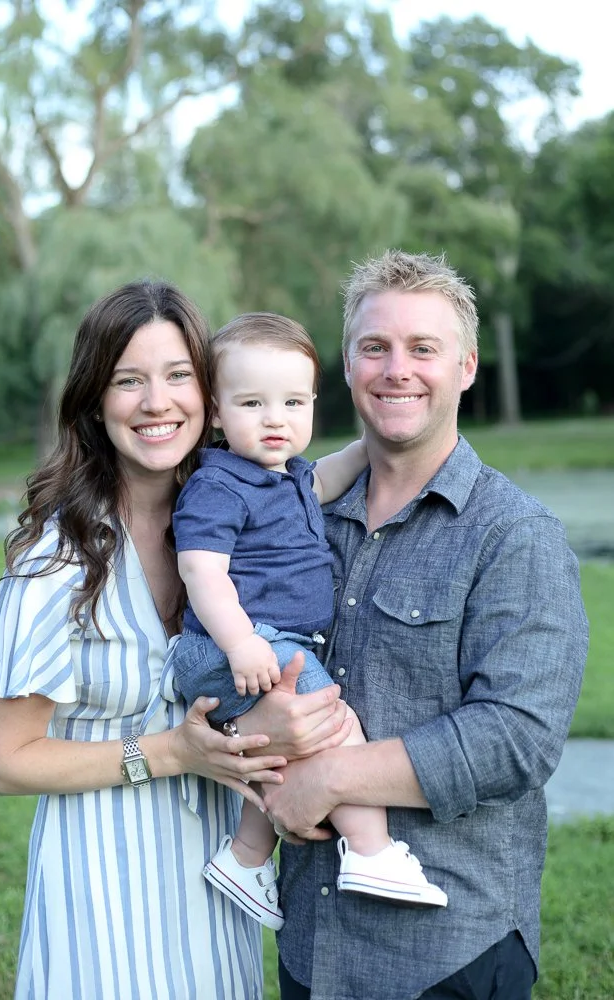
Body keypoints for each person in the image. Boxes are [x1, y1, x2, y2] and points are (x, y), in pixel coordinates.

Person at [0, 280, 348, 1000]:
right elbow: (4, 763)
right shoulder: (60, 562)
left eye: (177, 377)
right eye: (126, 381)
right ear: (93, 401)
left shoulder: (234, 524)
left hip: (218, 878)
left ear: (212, 394)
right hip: (104, 890)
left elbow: (323, 478)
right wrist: (170, 753)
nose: (157, 402)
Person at [259, 250, 589, 1000]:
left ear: (466, 367)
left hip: (448, 952)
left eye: (422, 349)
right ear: (346, 365)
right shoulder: (300, 525)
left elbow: (515, 738)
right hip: (311, 943)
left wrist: (330, 776)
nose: (395, 369)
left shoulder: (514, 536)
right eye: (374, 347)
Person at [166, 312, 447, 933]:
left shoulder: (287, 476)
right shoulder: (219, 485)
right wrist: (240, 643)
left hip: (270, 643)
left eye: (293, 402)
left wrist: (373, 444)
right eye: (253, 403)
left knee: (280, 750)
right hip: (235, 643)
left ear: (313, 404)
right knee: (334, 726)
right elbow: (201, 571)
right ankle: (373, 853)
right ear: (215, 412)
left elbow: (326, 476)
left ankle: (245, 860)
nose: (275, 418)